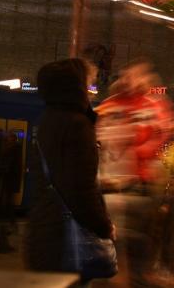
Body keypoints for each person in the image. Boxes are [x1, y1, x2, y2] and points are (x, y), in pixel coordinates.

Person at [26, 58, 115, 275]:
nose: (91, 91)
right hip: (67, 239)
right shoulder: (77, 124)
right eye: (89, 84)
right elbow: (80, 188)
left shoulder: (48, 120)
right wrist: (104, 226)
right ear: (75, 86)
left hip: (44, 228)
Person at [96, 60, 174, 285]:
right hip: (113, 184)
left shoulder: (154, 105)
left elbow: (161, 134)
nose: (130, 80)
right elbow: (97, 137)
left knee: (139, 242)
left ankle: (137, 276)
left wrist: (136, 152)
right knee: (114, 243)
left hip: (141, 183)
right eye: (127, 75)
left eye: (136, 75)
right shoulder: (109, 105)